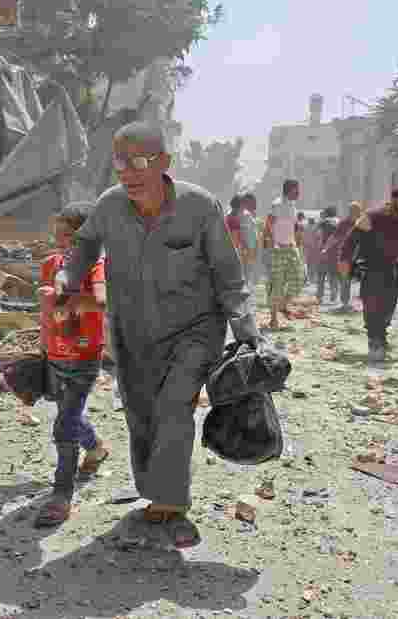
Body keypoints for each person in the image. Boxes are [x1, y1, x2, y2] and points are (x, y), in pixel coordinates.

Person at [56, 121, 258, 548]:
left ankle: (174, 505)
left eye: (140, 162)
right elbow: (84, 246)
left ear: (164, 162)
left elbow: (228, 273)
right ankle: (157, 494)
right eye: (120, 163)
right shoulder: (109, 206)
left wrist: (245, 329)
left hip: (194, 331)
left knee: (174, 409)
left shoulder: (200, 207)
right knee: (140, 415)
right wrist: (66, 278)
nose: (129, 172)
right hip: (133, 332)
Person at [35, 202, 110, 527]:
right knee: (69, 411)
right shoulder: (51, 264)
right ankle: (95, 448)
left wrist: (61, 298)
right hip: (55, 354)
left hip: (83, 357)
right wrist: (40, 342)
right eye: (58, 235)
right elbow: (46, 312)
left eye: (68, 236)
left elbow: (101, 302)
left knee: (64, 424)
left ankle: (61, 495)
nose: (61, 241)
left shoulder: (96, 267)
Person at [339, 188, 398, 361]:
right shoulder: (372, 216)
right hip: (371, 268)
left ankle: (381, 334)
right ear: (395, 200)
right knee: (372, 305)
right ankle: (375, 339)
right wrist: (344, 259)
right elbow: (351, 239)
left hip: (394, 270)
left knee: (389, 306)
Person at [264, 180, 304, 330]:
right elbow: (268, 225)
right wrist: (271, 243)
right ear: (289, 190)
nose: (299, 193)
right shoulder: (277, 204)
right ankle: (273, 319)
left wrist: (297, 242)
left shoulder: (293, 206)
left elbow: (292, 228)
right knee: (277, 283)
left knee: (299, 278)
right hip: (278, 249)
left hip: (291, 248)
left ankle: (283, 304)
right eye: (297, 190)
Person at [324, 201, 362, 312]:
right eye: (352, 211)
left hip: (359, 256)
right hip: (345, 255)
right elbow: (334, 237)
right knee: (345, 280)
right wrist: (326, 248)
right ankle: (345, 303)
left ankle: (362, 303)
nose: (354, 213)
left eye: (356, 211)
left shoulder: (362, 223)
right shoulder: (344, 223)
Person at [315, 206, 341, 303]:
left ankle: (319, 296)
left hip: (324, 252)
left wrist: (320, 248)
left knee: (321, 276)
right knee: (333, 276)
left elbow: (319, 236)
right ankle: (333, 296)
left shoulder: (323, 222)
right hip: (335, 253)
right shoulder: (339, 222)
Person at [239, 193, 260, 296]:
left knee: (248, 274)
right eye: (253, 201)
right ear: (247, 202)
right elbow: (242, 233)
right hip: (245, 250)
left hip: (250, 250)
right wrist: (245, 248)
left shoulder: (250, 215)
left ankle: (246, 296)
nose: (255, 204)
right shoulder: (244, 215)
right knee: (244, 274)